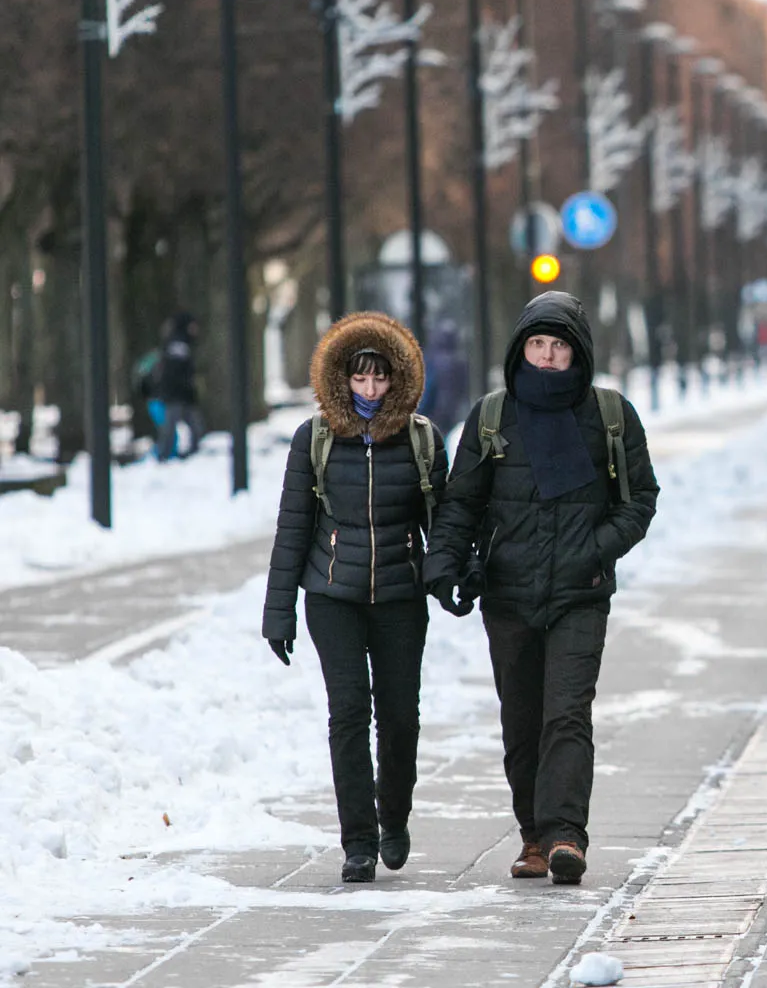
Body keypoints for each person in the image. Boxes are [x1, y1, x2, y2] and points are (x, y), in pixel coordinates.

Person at [425, 292, 659, 887]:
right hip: (509, 593)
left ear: (577, 351)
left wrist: (593, 549)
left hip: (581, 590)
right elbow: (461, 503)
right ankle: (532, 835)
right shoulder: (491, 417)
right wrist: (445, 565)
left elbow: (640, 502)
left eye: (559, 346)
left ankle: (564, 837)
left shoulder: (611, 416)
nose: (548, 357)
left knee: (567, 714)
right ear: (520, 349)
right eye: (537, 345)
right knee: (521, 719)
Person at [261, 312, 448, 883]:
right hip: (332, 597)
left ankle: (394, 817)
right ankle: (359, 841)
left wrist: (452, 578)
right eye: (360, 379)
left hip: (398, 596)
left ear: (398, 379)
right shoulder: (314, 438)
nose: (370, 390)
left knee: (399, 717)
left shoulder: (420, 439)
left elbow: (445, 522)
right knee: (347, 713)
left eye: (380, 379)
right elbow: (293, 526)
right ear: (341, 378)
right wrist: (278, 612)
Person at [154, 311, 202, 461]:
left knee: (191, 426)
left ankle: (187, 455)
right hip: (176, 394)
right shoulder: (179, 344)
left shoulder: (181, 342)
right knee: (171, 427)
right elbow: (176, 371)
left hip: (180, 394)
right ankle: (164, 456)